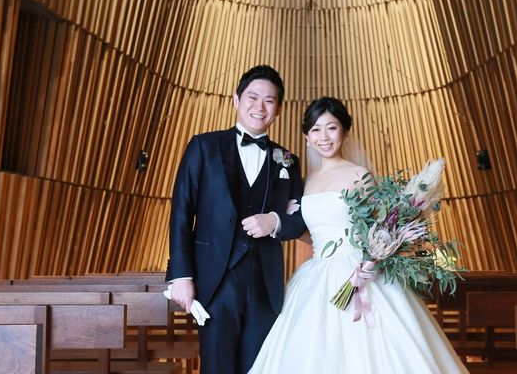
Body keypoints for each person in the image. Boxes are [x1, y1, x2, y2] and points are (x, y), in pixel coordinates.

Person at [249, 97, 469, 373]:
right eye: (315, 129)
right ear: (307, 137)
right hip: (316, 273)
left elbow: (381, 225)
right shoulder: (304, 182)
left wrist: (376, 253)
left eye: (331, 128)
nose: (323, 137)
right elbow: (308, 230)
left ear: (344, 131)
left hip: (360, 268)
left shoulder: (359, 174)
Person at [165, 65, 307, 374]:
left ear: (278, 109)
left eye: (269, 100)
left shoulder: (287, 160)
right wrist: (181, 276)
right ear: (236, 99)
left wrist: (275, 221)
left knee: (259, 368)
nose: (260, 107)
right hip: (215, 281)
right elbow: (181, 212)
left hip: (265, 284)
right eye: (252, 97)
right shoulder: (203, 147)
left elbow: (300, 221)